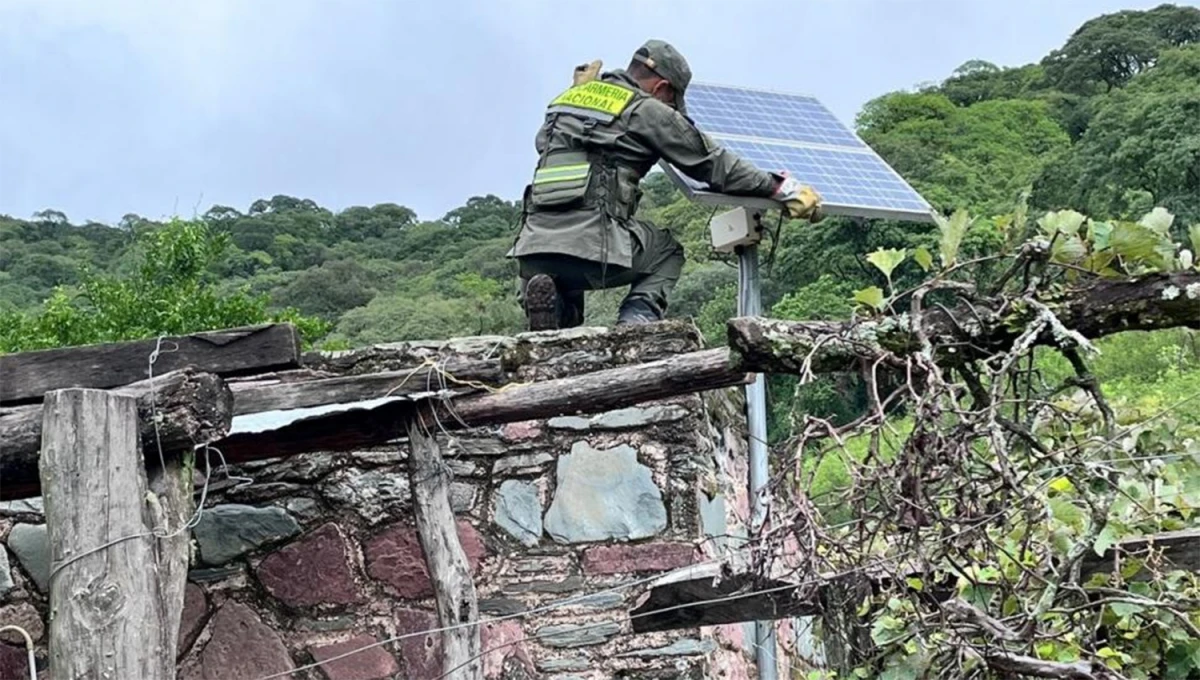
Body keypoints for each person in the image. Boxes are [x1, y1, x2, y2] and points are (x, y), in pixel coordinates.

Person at [508, 39, 822, 331]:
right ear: (662, 87)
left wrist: (580, 98)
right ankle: (637, 319)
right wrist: (779, 187)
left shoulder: (564, 102)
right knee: (668, 251)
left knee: (561, 290)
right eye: (673, 101)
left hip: (531, 252)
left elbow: (550, 143)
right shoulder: (646, 109)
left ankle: (556, 318)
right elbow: (713, 164)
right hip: (592, 250)